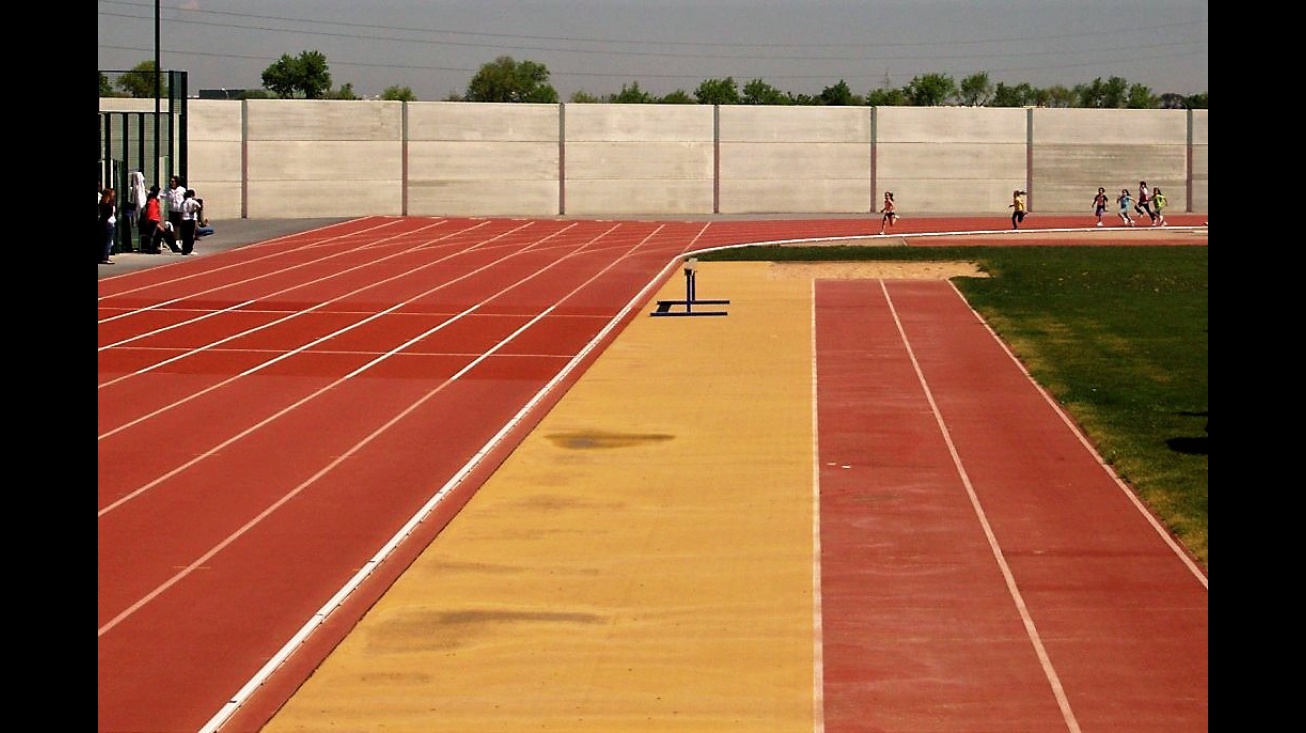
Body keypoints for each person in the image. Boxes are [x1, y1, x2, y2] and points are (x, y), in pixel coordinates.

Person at [179, 188, 203, 255]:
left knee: (185, 236)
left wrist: (181, 220)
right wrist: (194, 210)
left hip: (184, 219)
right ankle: (189, 249)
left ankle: (184, 249)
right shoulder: (191, 201)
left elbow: (180, 212)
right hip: (190, 219)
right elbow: (199, 206)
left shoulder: (183, 203)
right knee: (190, 235)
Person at [99, 187, 118, 265]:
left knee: (103, 241)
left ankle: (102, 256)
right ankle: (104, 257)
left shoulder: (102, 203)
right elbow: (108, 214)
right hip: (108, 223)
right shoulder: (108, 205)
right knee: (107, 241)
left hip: (104, 223)